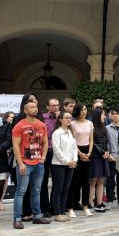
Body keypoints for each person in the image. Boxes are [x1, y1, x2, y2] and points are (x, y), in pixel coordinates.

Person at [11, 95, 50, 229]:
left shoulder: (42, 125)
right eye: (32, 107)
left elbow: (45, 142)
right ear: (25, 110)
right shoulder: (19, 126)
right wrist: (20, 163)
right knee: (21, 191)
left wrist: (43, 157)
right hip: (25, 163)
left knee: (36, 190)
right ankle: (17, 219)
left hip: (38, 163)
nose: (35, 109)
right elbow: (15, 145)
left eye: (36, 107)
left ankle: (37, 216)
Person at [67, 103, 94, 218]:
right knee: (74, 181)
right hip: (76, 151)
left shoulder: (90, 123)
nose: (84, 111)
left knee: (86, 181)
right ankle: (70, 207)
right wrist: (79, 153)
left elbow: (91, 139)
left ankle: (86, 206)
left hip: (87, 151)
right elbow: (72, 140)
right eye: (82, 109)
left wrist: (89, 152)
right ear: (77, 111)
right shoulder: (72, 124)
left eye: (85, 109)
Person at [51, 111, 78, 222]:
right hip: (59, 165)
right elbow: (57, 150)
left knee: (66, 188)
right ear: (61, 119)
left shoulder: (70, 133)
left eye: (70, 118)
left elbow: (74, 148)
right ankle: (57, 213)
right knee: (58, 188)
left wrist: (74, 159)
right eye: (66, 117)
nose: (69, 119)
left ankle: (62, 211)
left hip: (70, 164)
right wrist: (67, 161)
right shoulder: (57, 133)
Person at [39, 98, 60, 218]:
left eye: (57, 105)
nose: (55, 108)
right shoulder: (42, 118)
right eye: (53, 106)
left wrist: (59, 120)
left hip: (57, 152)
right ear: (48, 107)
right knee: (44, 181)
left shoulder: (61, 118)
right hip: (45, 151)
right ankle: (45, 207)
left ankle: (54, 206)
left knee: (57, 181)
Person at [89, 107, 110, 212]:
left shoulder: (104, 127)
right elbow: (93, 143)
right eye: (103, 114)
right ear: (98, 116)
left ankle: (99, 202)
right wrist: (102, 152)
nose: (104, 116)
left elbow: (107, 141)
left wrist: (107, 152)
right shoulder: (91, 127)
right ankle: (89, 203)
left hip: (103, 157)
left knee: (101, 180)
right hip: (95, 157)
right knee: (93, 180)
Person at [106, 109, 119, 209]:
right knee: (110, 180)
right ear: (110, 115)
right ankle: (109, 200)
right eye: (113, 114)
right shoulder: (107, 128)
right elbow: (106, 142)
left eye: (117, 113)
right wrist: (108, 154)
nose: (115, 116)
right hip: (111, 157)